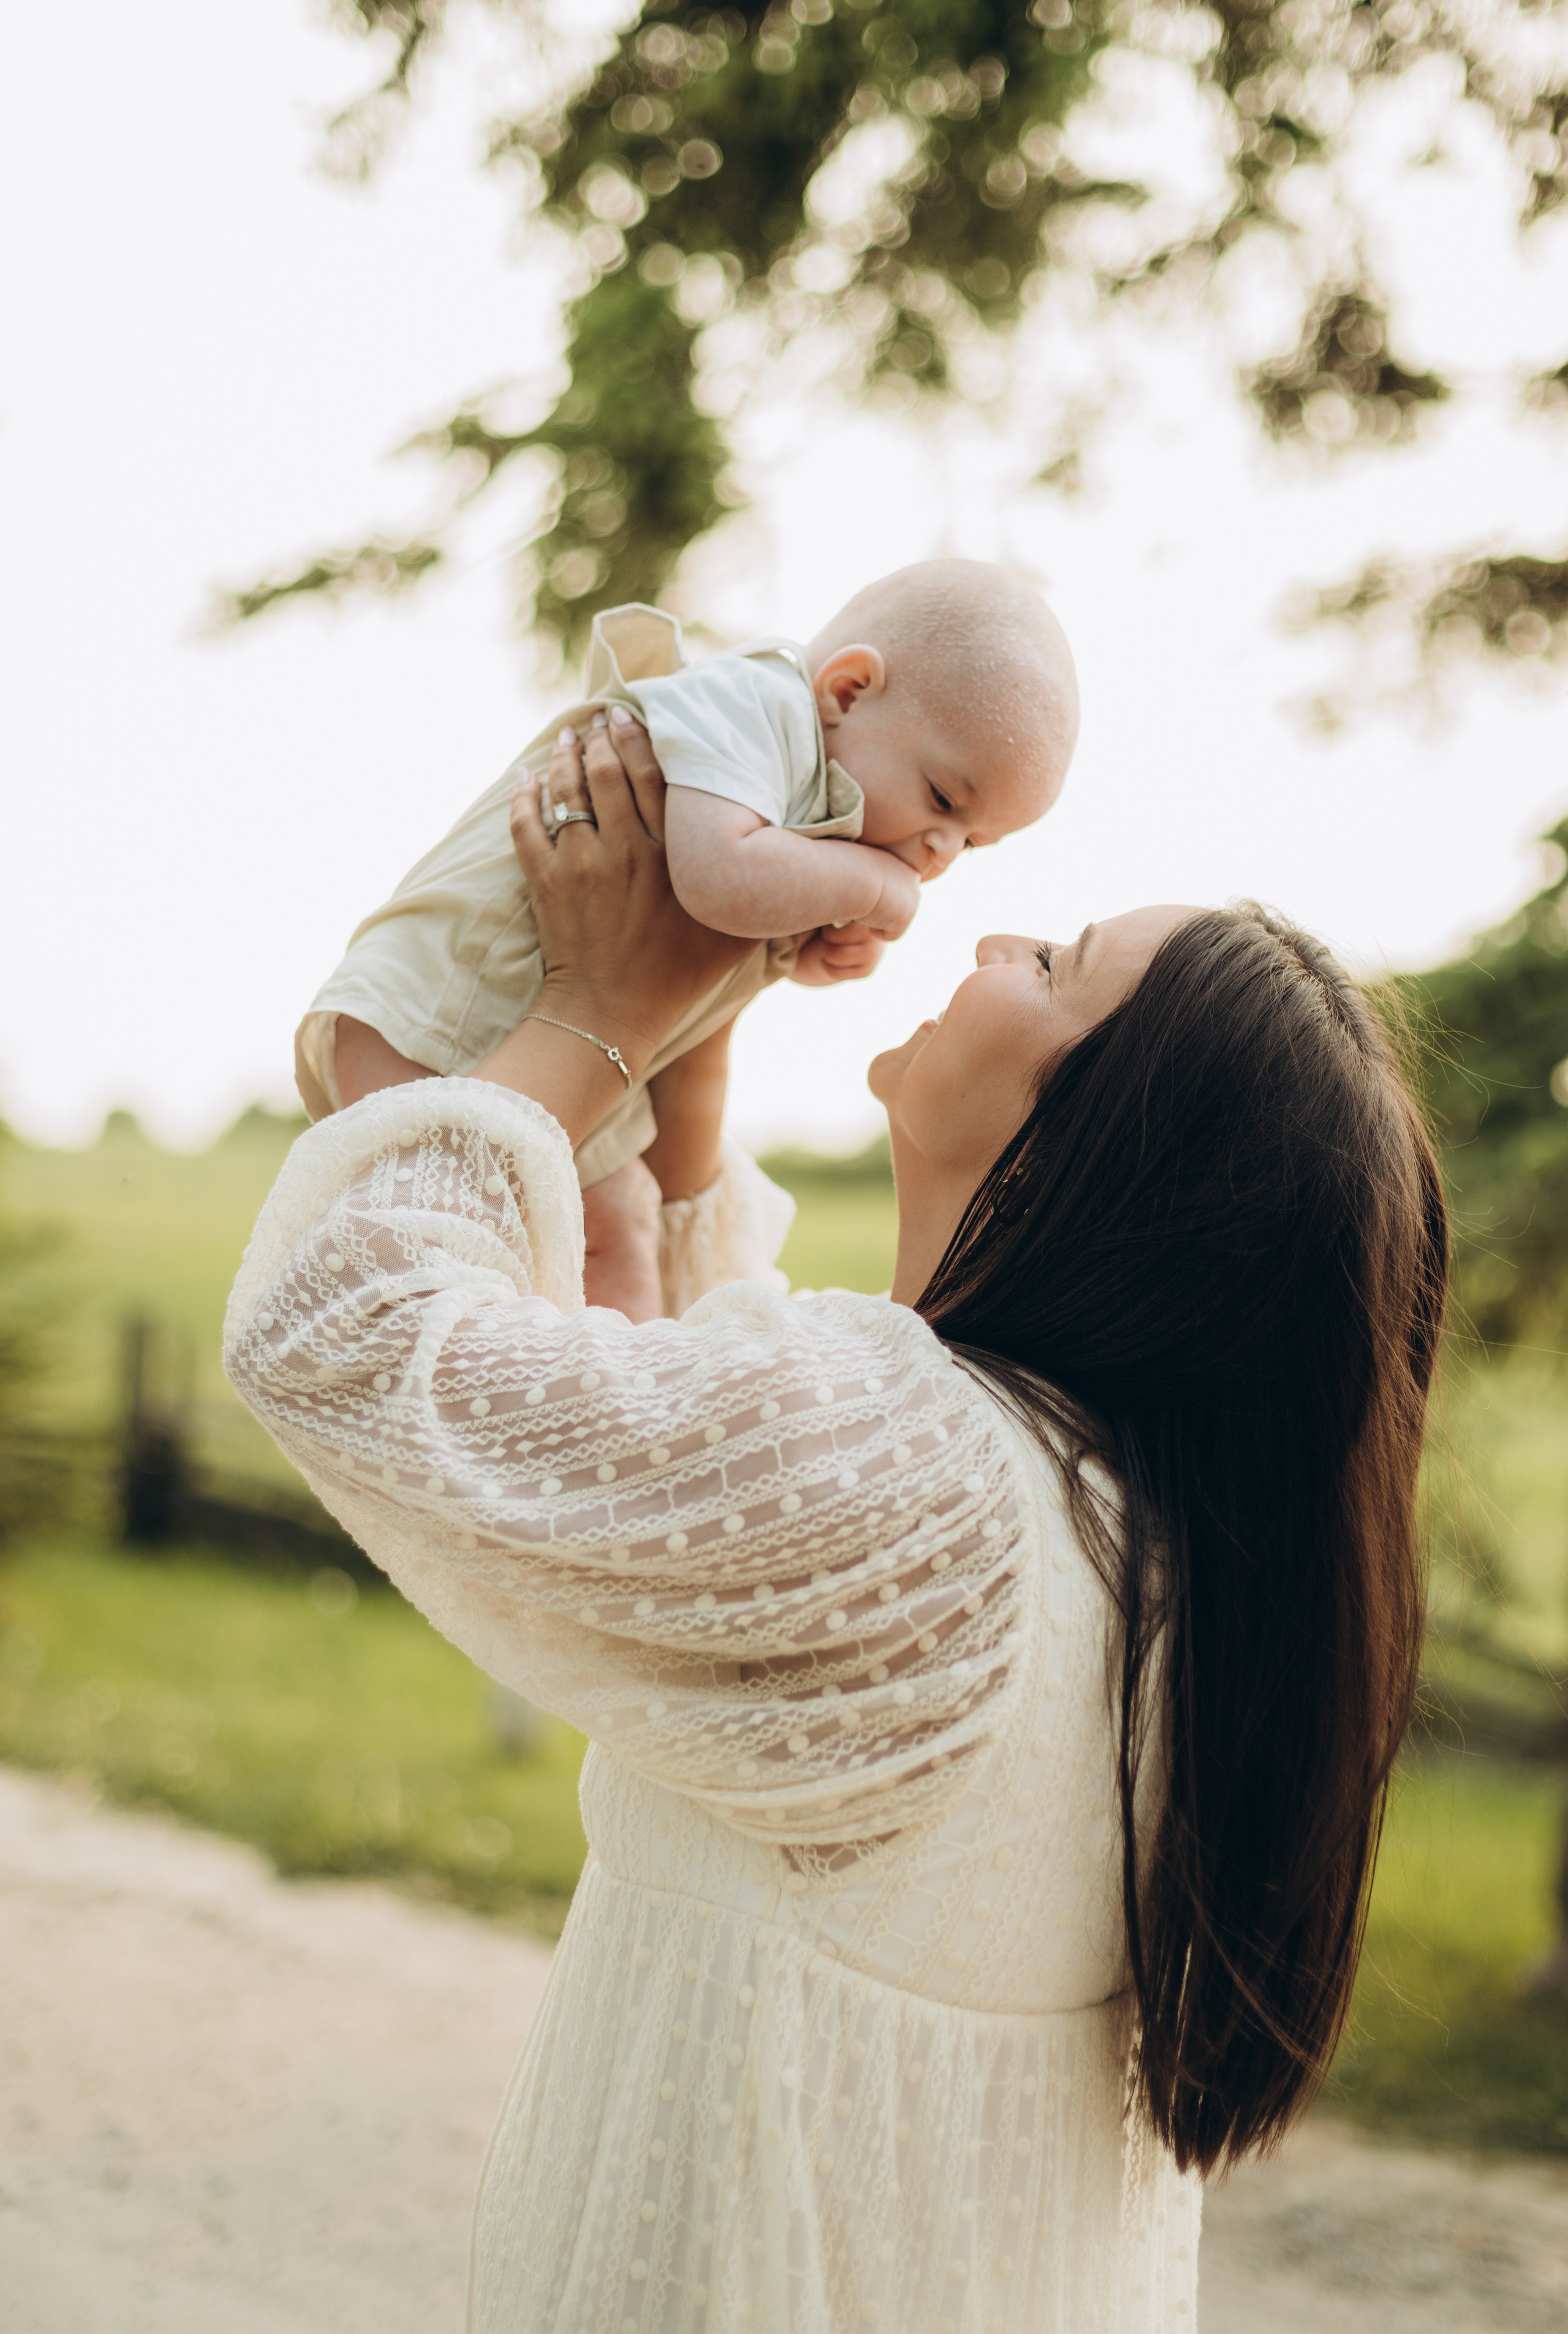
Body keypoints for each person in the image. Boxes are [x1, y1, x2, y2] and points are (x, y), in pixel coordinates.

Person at [227, 715, 1444, 2333]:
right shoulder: (1124, 1540)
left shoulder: (932, 1489)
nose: (1001, 934)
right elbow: (722, 1495)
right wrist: (693, 1096)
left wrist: (594, 1018)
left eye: (1059, 963)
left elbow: (346, 1335)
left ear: (1103, 1158)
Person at [293, 560, 1079, 1320]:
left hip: (522, 1034)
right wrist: (871, 889)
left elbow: (717, 938)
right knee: (423, 1258)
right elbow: (712, 881)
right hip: (440, 1009)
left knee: (623, 1222)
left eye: (971, 842)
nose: (939, 851)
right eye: (942, 799)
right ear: (846, 689)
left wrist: (809, 951)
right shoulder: (754, 706)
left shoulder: (813, 795)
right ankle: (579, 1413)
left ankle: (610, 1415)